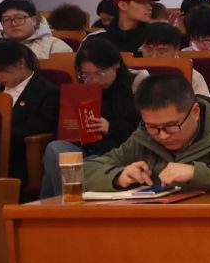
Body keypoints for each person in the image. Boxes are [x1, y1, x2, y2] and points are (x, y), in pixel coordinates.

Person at [84, 72, 210, 193]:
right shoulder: (143, 137)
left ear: (195, 112)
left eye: (171, 126)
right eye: (153, 127)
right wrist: (118, 176)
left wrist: (196, 172)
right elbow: (85, 172)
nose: (163, 135)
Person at [35, 38, 141, 196]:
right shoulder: (83, 88)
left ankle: (62, 204)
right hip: (86, 148)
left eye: (100, 73)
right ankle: (66, 202)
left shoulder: (136, 85)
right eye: (86, 74)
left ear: (116, 65)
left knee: (68, 169)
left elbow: (142, 131)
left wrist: (110, 127)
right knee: (55, 149)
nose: (94, 80)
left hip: (115, 150)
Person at [0, 38, 59, 192]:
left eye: (1, 70)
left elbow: (37, 126)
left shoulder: (47, 92)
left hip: (17, 155)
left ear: (20, 63)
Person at [90, 0, 158, 55]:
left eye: (150, 3)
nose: (150, 7)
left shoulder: (156, 37)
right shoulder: (95, 39)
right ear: (123, 5)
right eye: (142, 2)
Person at [0, 0, 69, 60]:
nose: (13, 23)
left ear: (33, 20)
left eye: (19, 18)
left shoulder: (55, 45)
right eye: (6, 20)